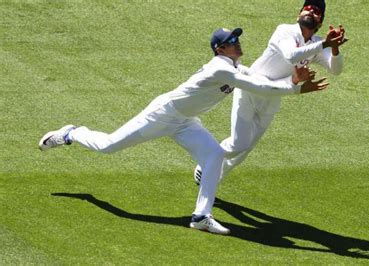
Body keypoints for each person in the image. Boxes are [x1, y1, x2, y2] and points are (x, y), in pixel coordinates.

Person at [38, 27, 329, 235]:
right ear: (220, 49)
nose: (238, 43)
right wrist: (295, 88)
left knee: (214, 156)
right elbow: (259, 86)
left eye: (237, 39)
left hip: (187, 122)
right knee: (109, 146)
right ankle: (71, 133)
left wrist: (294, 82)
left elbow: (259, 80)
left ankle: (201, 216)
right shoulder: (220, 68)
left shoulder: (237, 66)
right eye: (231, 41)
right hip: (163, 115)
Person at [194, 0, 348, 185]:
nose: (310, 11)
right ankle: (206, 162)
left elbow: (335, 69)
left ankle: (212, 180)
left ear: (320, 23)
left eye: (316, 11)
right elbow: (291, 55)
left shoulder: (316, 44)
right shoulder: (285, 30)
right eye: (306, 8)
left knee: (245, 150)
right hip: (251, 87)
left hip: (273, 97)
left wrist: (335, 48)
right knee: (238, 144)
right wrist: (325, 44)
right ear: (298, 15)